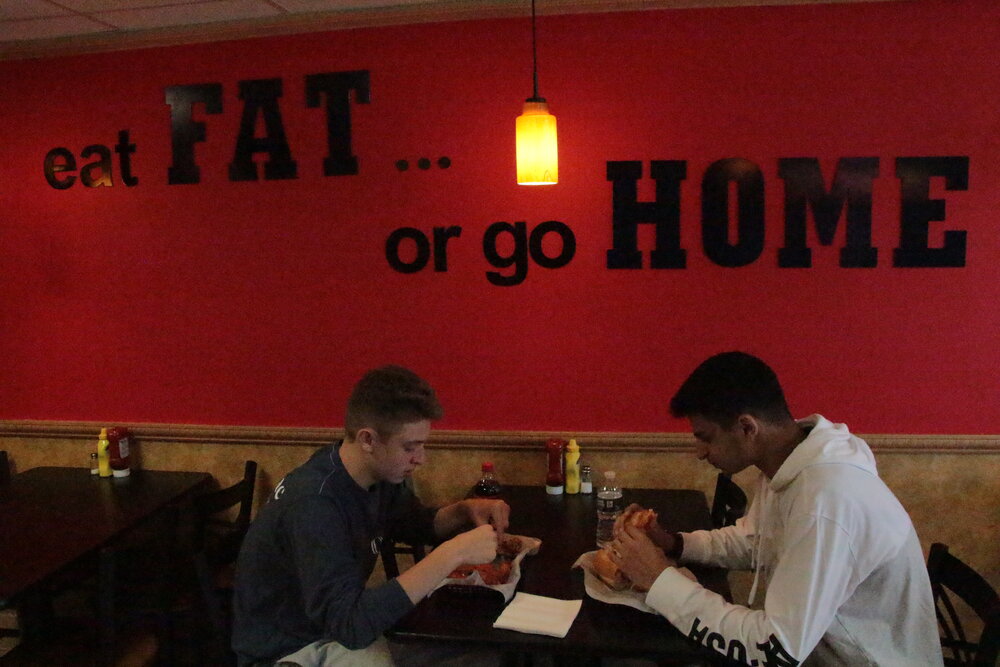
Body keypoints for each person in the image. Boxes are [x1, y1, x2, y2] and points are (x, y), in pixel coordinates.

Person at [609, 351, 943, 666]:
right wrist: (674, 544)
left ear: (747, 428)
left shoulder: (826, 501)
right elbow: (755, 541)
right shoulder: (789, 462)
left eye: (706, 437)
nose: (699, 451)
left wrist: (658, 579)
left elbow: (775, 649)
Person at [232, 365, 510, 667]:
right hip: (287, 651)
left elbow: (419, 524)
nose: (421, 458)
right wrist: (451, 554)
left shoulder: (371, 477)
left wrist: (463, 510)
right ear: (368, 440)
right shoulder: (315, 505)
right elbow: (352, 626)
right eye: (409, 447)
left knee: (489, 656)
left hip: (334, 631)